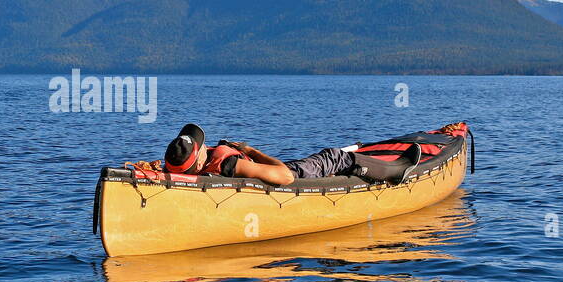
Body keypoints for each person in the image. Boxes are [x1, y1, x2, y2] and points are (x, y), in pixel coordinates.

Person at [163, 123, 421, 186]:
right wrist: (250, 151)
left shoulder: (174, 169)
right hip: (293, 175)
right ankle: (396, 171)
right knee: (334, 156)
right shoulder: (229, 163)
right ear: (196, 158)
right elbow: (285, 176)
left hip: (263, 173)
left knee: (331, 159)